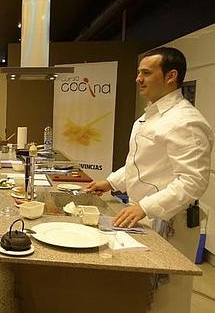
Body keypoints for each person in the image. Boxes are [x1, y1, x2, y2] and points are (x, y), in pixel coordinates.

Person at [85, 47, 213, 233]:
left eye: (146, 73)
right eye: (139, 73)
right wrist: (111, 182)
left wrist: (146, 207)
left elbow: (193, 181)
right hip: (141, 213)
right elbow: (142, 164)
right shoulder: (150, 116)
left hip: (168, 221)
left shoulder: (186, 121)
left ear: (171, 76)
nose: (138, 79)